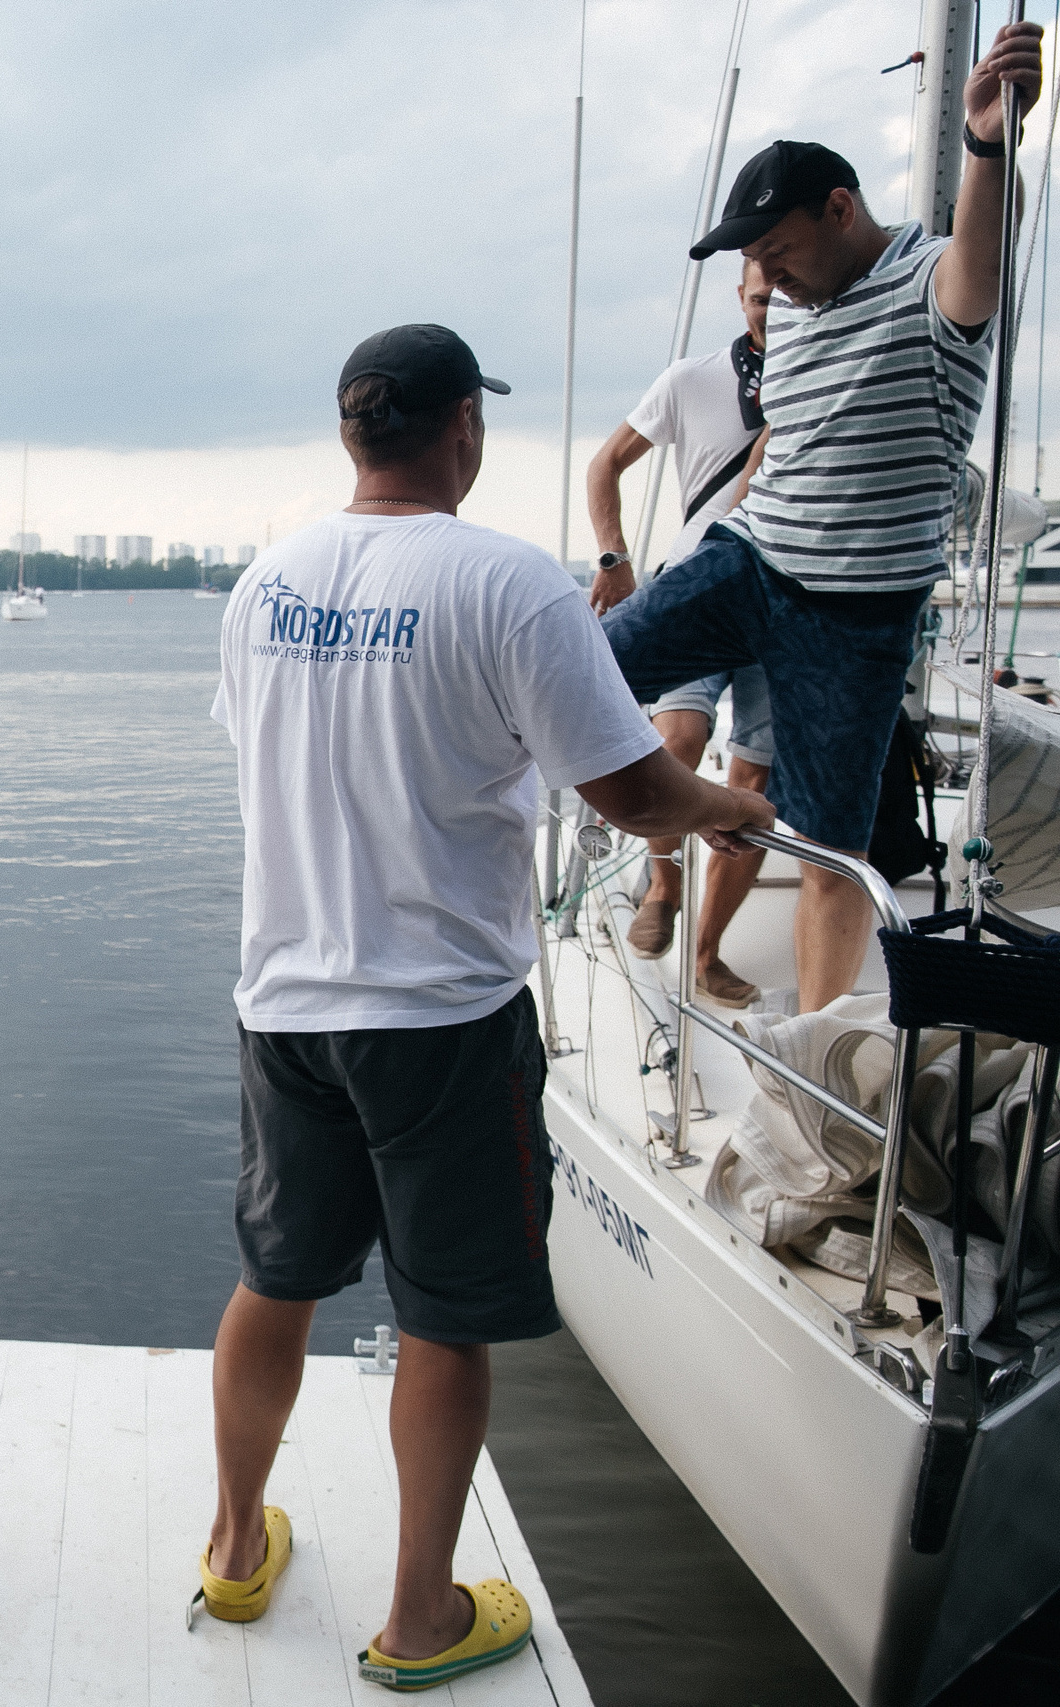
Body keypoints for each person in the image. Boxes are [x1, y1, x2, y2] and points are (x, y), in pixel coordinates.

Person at [204, 327, 770, 1689]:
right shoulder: (511, 582)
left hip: (286, 1004)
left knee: (275, 1277)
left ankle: (234, 1547)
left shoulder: (265, 581)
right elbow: (631, 791)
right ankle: (420, 1620)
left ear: (353, 433)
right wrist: (732, 808)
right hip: (443, 1019)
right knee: (445, 1312)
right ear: (463, 424)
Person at [600, 20, 1043, 1014]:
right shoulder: (793, 312)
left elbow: (981, 255)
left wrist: (984, 144)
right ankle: (683, 834)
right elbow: (789, 442)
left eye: (778, 251)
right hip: (747, 561)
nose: (767, 280)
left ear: (840, 209)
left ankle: (809, 1046)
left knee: (831, 849)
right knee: (579, 673)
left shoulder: (930, 285)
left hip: (855, 618)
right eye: (755, 262)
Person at [584, 260, 779, 1005]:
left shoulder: (826, 378)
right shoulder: (689, 381)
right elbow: (606, 464)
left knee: (754, 777)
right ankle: (662, 882)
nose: (773, 308)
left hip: (780, 601)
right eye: (760, 297)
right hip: (697, 586)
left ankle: (707, 952)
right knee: (678, 740)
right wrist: (614, 556)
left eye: (784, 296)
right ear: (740, 295)